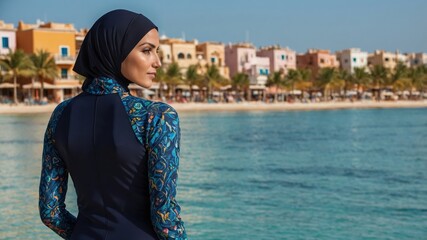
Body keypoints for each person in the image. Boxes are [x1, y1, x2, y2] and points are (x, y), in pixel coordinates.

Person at [38, 9, 187, 240]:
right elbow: (164, 217)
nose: (157, 62)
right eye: (147, 50)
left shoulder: (61, 115)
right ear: (116, 49)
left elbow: (50, 212)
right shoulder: (157, 117)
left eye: (157, 52)